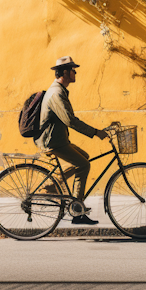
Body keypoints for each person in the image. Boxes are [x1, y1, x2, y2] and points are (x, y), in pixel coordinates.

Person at [34, 56, 108, 225]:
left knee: (84, 157)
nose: (75, 73)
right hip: (52, 142)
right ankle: (77, 211)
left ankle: (52, 188)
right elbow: (70, 120)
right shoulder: (57, 93)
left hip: (58, 139)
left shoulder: (59, 90)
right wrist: (96, 132)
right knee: (83, 164)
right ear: (66, 72)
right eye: (73, 70)